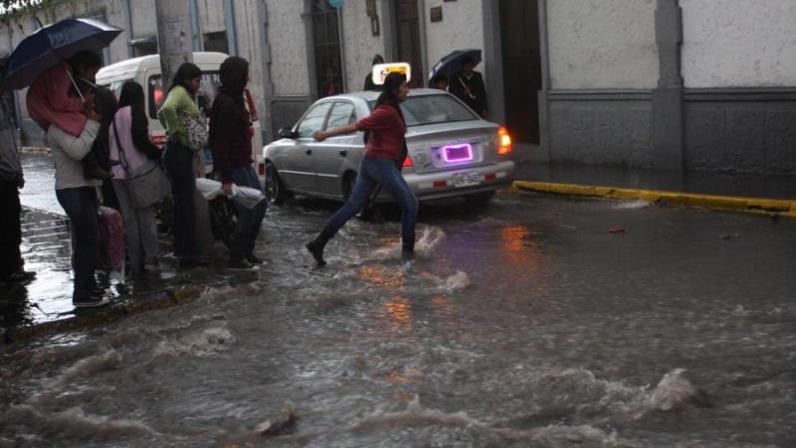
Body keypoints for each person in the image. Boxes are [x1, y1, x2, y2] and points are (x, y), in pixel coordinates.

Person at [306, 73, 418, 266]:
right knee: (411, 204)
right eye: (404, 86)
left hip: (372, 162)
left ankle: (319, 243)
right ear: (394, 90)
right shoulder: (387, 111)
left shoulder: (391, 107)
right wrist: (325, 134)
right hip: (380, 163)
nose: (408, 90)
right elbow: (357, 126)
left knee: (353, 206)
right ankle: (408, 253)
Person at [48, 84, 110, 308]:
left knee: (91, 239)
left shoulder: (77, 122)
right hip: (71, 188)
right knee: (87, 239)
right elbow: (78, 150)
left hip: (85, 186)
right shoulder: (57, 126)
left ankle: (89, 286)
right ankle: (81, 294)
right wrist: (92, 123)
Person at [209, 56, 266, 270]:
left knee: (260, 204)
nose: (247, 78)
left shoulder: (234, 99)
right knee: (249, 209)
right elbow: (220, 142)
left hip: (243, 162)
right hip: (234, 166)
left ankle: (246, 250)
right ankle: (237, 255)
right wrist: (226, 177)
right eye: (244, 75)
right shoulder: (225, 103)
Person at [27, 50, 113, 180]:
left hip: (43, 106)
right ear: (81, 68)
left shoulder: (65, 72)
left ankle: (101, 158)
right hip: (42, 107)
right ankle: (92, 167)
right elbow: (59, 103)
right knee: (81, 124)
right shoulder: (62, 73)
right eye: (93, 73)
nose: (93, 77)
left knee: (82, 122)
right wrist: (82, 103)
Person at [109, 81, 162, 276]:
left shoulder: (114, 116)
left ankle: (136, 263)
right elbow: (140, 140)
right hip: (137, 172)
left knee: (130, 220)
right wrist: (157, 153)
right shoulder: (136, 112)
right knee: (146, 217)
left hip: (117, 174)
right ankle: (152, 259)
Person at [158, 63, 206, 268]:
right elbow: (167, 109)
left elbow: (161, 113)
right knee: (185, 205)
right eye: (196, 81)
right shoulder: (179, 92)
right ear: (186, 80)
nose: (198, 85)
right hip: (179, 153)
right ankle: (188, 254)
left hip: (180, 153)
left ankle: (185, 252)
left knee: (182, 204)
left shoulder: (181, 93)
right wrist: (175, 132)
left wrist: (171, 129)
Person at [0, 83, 35, 283]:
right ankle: (9, 270)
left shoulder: (4, 106)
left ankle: (15, 266)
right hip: (2, 177)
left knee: (13, 224)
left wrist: (18, 171)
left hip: (10, 176)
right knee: (6, 226)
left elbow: (10, 144)